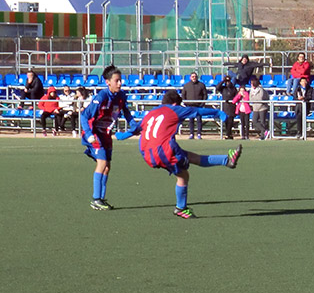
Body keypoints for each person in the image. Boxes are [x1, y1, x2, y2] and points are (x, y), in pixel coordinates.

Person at [115, 89, 241, 219]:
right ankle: (180, 208)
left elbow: (136, 129)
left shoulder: (151, 113)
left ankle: (227, 160)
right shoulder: (174, 110)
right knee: (183, 176)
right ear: (175, 104)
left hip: (147, 152)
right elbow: (197, 111)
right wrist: (217, 112)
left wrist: (121, 136)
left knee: (193, 158)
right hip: (163, 151)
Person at [80, 65, 136, 211]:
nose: (120, 83)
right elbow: (84, 116)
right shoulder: (102, 96)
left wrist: (134, 125)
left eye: (120, 80)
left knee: (107, 167)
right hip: (94, 132)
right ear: (107, 82)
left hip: (106, 133)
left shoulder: (121, 96)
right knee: (102, 162)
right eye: (116, 81)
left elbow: (126, 113)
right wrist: (89, 134)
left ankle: (101, 198)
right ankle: (96, 199)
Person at [181, 71, 208, 139]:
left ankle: (199, 134)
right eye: (193, 76)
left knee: (199, 120)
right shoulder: (186, 85)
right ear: (190, 77)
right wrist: (186, 103)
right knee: (191, 120)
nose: (194, 78)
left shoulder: (201, 85)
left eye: (195, 76)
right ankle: (191, 134)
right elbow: (183, 95)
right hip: (190, 106)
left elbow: (205, 95)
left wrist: (202, 103)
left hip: (199, 106)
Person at [215, 73, 238, 139]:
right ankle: (229, 134)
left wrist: (231, 100)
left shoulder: (233, 88)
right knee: (226, 120)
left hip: (231, 106)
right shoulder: (223, 88)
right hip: (225, 106)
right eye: (226, 81)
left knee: (231, 120)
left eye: (228, 81)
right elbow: (217, 87)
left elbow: (236, 96)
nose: (227, 83)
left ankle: (228, 134)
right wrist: (223, 81)